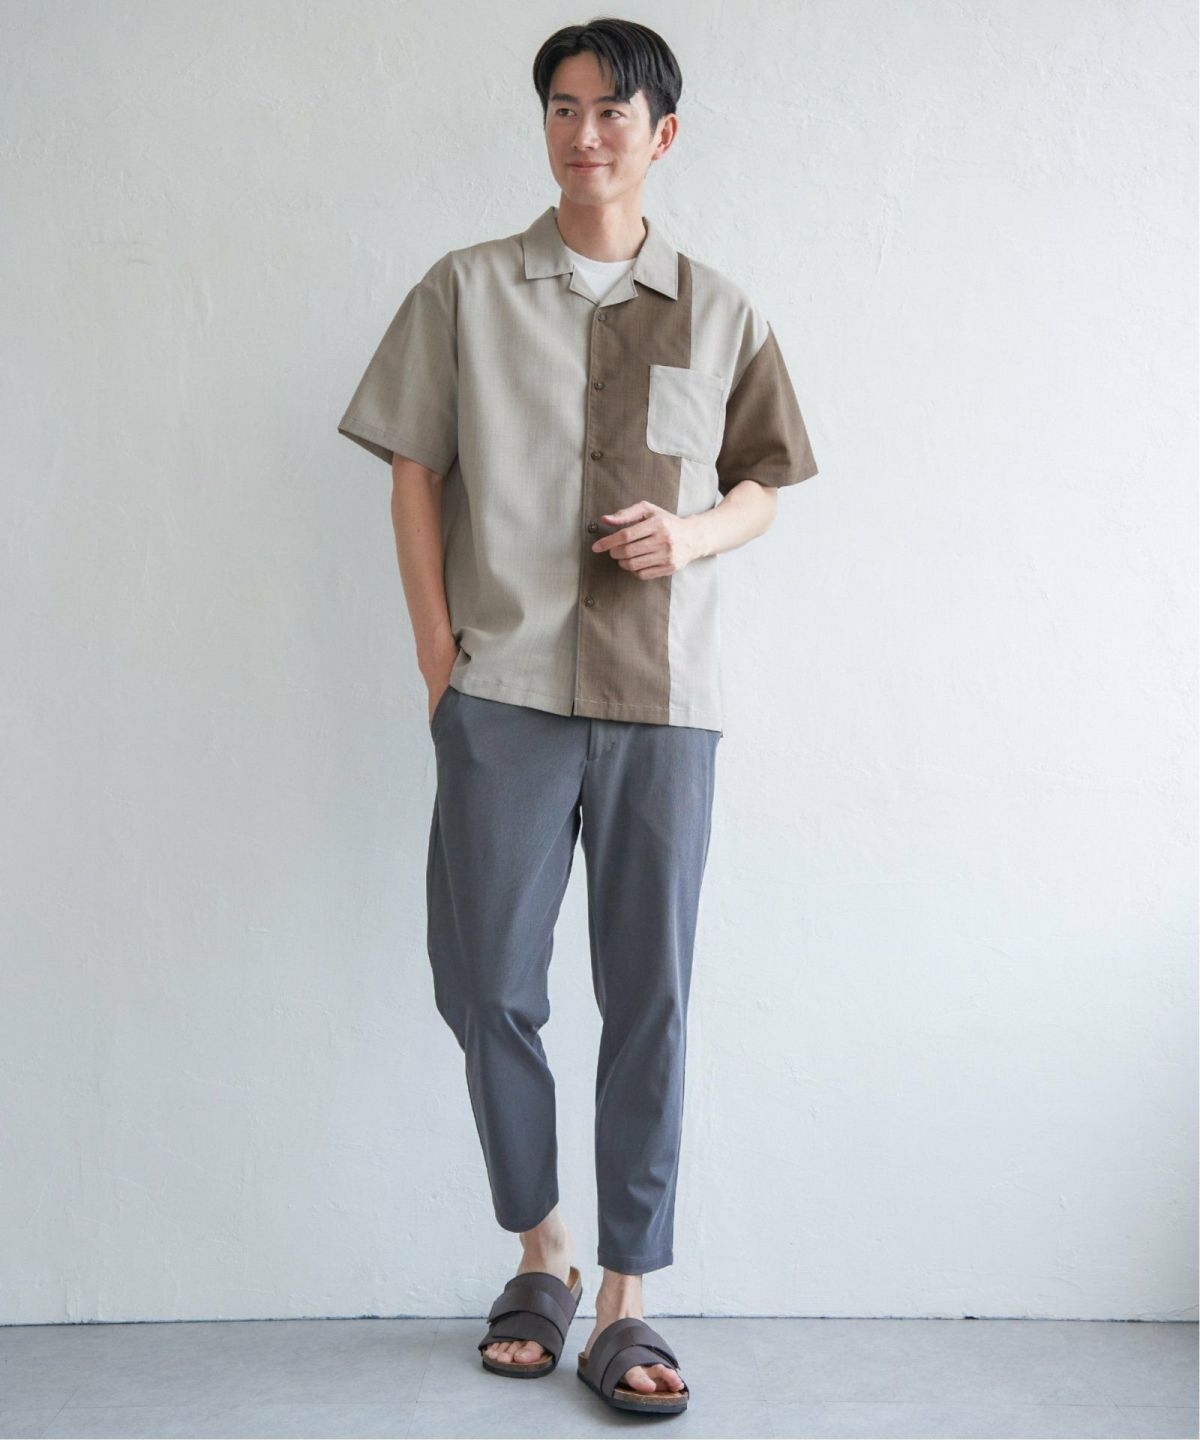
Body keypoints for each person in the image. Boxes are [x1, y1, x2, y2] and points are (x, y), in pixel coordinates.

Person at [336, 16, 818, 1417]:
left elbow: (765, 480)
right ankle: (539, 1248)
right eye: (562, 106)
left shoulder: (720, 309)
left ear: (662, 135)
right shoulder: (467, 290)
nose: (584, 132)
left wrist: (695, 534)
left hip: (665, 702)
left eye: (613, 110)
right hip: (503, 689)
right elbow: (414, 468)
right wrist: (437, 653)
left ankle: (624, 1297)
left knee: (649, 994)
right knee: (484, 980)